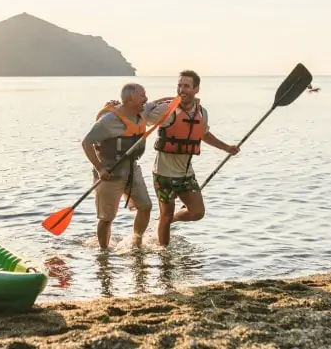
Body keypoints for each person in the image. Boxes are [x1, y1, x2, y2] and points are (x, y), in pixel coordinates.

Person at [143, 70, 240, 247]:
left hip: (186, 173)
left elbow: (203, 134)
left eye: (186, 86)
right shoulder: (167, 109)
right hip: (163, 173)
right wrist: (160, 100)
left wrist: (226, 147)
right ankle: (165, 257)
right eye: (179, 85)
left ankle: (168, 220)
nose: (182, 89)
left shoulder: (201, 112)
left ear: (196, 89)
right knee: (165, 214)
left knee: (197, 212)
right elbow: (142, 114)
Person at [81, 83, 153, 249]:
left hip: (132, 170)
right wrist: (100, 168)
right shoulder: (108, 121)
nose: (146, 98)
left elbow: (160, 103)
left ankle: (137, 243)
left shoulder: (142, 112)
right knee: (106, 218)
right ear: (129, 99)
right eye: (142, 95)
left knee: (145, 207)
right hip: (110, 173)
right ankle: (103, 253)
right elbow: (86, 143)